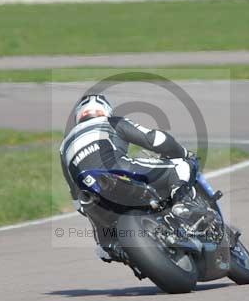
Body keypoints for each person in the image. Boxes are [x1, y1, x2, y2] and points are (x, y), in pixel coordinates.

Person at [60, 94, 197, 260]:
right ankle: (182, 203)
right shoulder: (111, 122)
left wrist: (85, 208)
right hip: (120, 172)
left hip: (91, 197)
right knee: (181, 165)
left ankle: (112, 247)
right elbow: (154, 139)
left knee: (104, 245)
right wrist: (183, 153)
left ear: (79, 116)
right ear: (106, 110)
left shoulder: (64, 145)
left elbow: (74, 193)